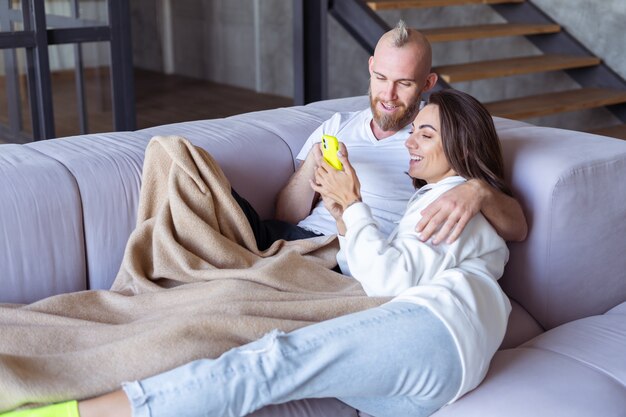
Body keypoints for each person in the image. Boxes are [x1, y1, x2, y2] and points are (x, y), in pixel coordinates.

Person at [3, 89, 513, 417]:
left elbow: (388, 283)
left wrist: (354, 203)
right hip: (419, 386)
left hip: (433, 337)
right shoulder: (437, 196)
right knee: (235, 330)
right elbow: (382, 267)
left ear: (462, 145)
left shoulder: (453, 201)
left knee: (266, 363)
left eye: (426, 133)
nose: (410, 143)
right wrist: (341, 210)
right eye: (414, 131)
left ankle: (74, 413)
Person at [242, 20, 526, 251]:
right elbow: (285, 216)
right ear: (370, 67)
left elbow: (517, 228)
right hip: (284, 237)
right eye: (381, 78)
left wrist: (478, 190)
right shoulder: (338, 125)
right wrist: (313, 164)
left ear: (428, 83)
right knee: (197, 168)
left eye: (403, 83)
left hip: (341, 256)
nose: (388, 96)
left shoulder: (437, 136)